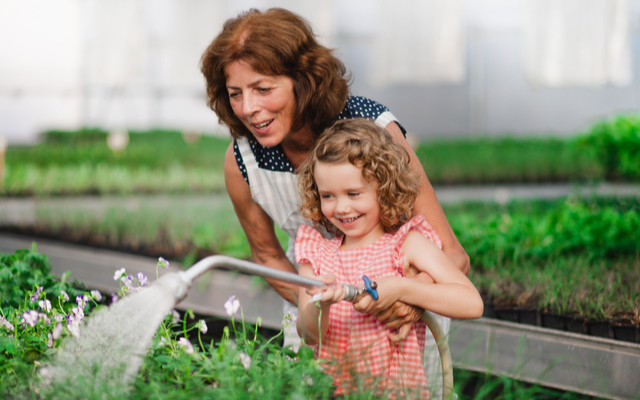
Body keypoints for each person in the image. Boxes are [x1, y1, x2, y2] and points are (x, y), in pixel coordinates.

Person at [200, 8, 470, 397]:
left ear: (301, 81)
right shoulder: (242, 159)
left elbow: (451, 253)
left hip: (399, 327)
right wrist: (322, 304)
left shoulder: (370, 132)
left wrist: (407, 298)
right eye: (235, 93)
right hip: (322, 320)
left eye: (263, 88)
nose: (248, 108)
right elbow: (267, 255)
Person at [295, 119, 483, 398]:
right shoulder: (317, 255)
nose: (342, 207)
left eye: (353, 193)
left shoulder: (407, 244)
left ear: (382, 188)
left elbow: (471, 303)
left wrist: (402, 288)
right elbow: (310, 335)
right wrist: (320, 305)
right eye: (328, 196)